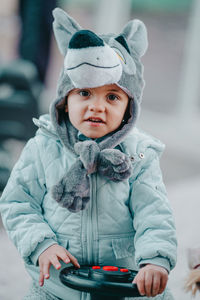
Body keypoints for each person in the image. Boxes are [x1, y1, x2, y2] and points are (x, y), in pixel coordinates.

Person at [0, 7, 177, 300]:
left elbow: (154, 213)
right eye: (84, 93)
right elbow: (18, 203)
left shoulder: (140, 154)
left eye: (112, 96)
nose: (97, 106)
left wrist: (155, 260)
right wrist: (42, 244)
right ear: (64, 100)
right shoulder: (43, 147)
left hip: (122, 284)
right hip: (56, 285)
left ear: (128, 109)